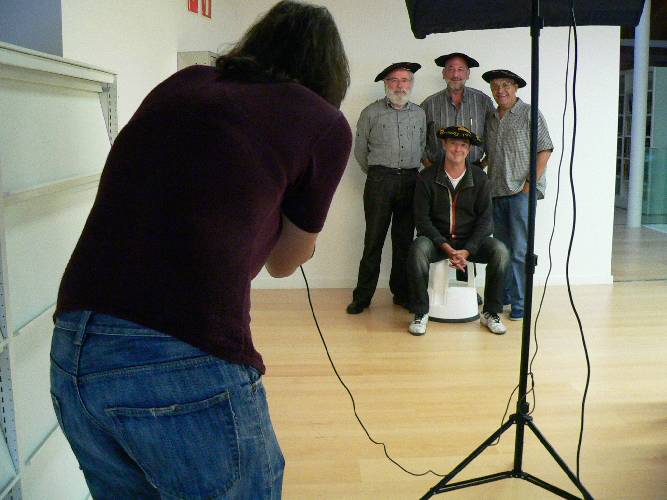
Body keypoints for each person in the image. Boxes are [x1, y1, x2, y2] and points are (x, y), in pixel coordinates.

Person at [50, 2, 351, 498]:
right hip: (179, 353)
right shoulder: (323, 121)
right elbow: (284, 263)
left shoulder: (183, 83)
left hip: (73, 347)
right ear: (330, 75)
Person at [406, 126, 510, 336]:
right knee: (417, 250)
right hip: (437, 241)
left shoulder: (480, 178)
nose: (458, 149)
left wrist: (468, 250)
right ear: (444, 145)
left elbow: (486, 221)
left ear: (469, 149)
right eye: (453, 143)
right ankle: (420, 311)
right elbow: (422, 220)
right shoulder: (426, 177)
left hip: (469, 242)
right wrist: (446, 247)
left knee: (501, 251)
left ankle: (490, 312)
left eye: (463, 145)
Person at [346, 62, 426, 314]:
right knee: (373, 240)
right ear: (385, 84)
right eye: (394, 80)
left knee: (404, 242)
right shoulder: (371, 112)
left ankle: (401, 293)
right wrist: (378, 174)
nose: (400, 85)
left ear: (411, 84)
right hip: (380, 181)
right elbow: (361, 152)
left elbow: (422, 145)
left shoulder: (419, 114)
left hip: (411, 181)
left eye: (405, 80)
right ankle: (362, 297)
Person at [482, 69, 553, 321]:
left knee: (521, 250)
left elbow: (545, 149)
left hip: (521, 192)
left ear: (515, 88)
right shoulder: (491, 118)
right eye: (495, 86)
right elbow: (491, 154)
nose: (500, 90)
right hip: (496, 192)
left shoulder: (529, 113)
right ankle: (505, 297)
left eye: (506, 85)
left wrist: (529, 184)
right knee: (502, 250)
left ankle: (521, 305)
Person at [420, 52, 494, 167]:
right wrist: (428, 167)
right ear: (443, 73)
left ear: (468, 74)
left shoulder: (483, 102)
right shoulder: (429, 104)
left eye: (460, 69)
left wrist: (483, 165)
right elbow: (417, 138)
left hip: (474, 170)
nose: (455, 74)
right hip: (437, 170)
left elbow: (495, 135)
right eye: (451, 69)